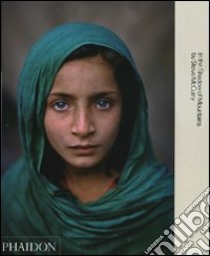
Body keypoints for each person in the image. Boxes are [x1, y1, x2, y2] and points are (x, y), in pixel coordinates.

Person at [1, 22, 174, 255]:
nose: (83, 128)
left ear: (128, 108)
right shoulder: (13, 198)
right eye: (60, 104)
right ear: (34, 110)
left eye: (103, 103)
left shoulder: (172, 205)